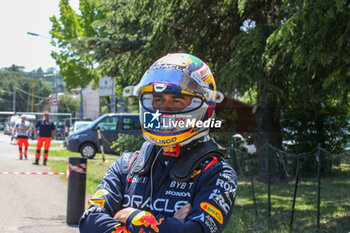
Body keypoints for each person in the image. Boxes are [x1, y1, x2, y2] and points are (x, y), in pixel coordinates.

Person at [79, 53, 237, 233]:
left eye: (176, 101)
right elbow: (89, 223)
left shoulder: (217, 173)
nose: (164, 110)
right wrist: (167, 224)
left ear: (203, 105)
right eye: (158, 99)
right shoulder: (126, 165)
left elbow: (196, 231)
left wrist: (131, 216)